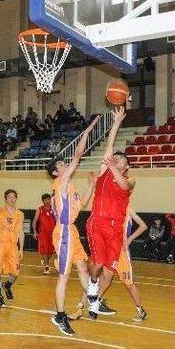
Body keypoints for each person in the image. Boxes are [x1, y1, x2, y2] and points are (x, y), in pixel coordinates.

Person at [46, 115, 101, 333]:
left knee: (82, 266)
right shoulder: (61, 182)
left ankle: (94, 299)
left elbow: (84, 203)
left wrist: (92, 185)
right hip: (63, 232)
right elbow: (77, 155)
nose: (64, 163)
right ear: (55, 172)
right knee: (64, 275)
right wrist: (87, 132)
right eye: (60, 163)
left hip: (73, 230)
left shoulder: (70, 187)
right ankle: (59, 316)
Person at [85, 106, 134, 319]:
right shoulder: (105, 171)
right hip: (98, 222)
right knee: (97, 265)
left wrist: (111, 165)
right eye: (113, 158)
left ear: (126, 166)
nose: (114, 159)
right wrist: (116, 122)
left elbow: (124, 186)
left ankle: (94, 302)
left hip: (115, 229)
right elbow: (109, 144)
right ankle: (92, 288)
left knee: (109, 272)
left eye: (119, 159)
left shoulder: (130, 179)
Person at [0, 189, 24, 308]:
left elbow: (21, 232)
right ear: (5, 199)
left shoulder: (20, 214)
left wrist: (21, 249)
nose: (12, 199)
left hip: (13, 246)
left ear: (16, 199)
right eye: (9, 197)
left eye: (14, 197)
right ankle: (0, 298)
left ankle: (7, 285)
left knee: (16, 273)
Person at [118, 208, 148, 321]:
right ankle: (88, 305)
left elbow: (143, 226)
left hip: (122, 253)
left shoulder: (127, 209)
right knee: (102, 278)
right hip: (110, 249)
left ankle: (141, 310)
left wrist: (130, 238)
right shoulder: (109, 207)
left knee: (129, 283)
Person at [32, 194, 55, 275]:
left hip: (53, 233)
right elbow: (34, 221)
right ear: (43, 201)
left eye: (49, 199)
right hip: (43, 233)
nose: (47, 201)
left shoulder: (54, 208)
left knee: (51, 251)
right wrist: (35, 232)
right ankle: (46, 266)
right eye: (45, 200)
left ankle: (46, 261)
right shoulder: (39, 209)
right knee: (45, 249)